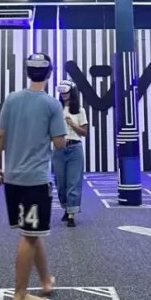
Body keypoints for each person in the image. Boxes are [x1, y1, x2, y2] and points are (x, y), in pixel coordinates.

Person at [0, 53, 66, 300]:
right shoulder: (52, 105)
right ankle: (20, 294)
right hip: (35, 181)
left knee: (32, 231)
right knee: (30, 235)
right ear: (49, 73)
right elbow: (59, 144)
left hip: (12, 179)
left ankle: (46, 280)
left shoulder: (12, 99)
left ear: (27, 72)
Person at [53, 79, 88, 227]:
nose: (64, 95)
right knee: (60, 183)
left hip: (75, 148)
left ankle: (71, 214)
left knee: (73, 182)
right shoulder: (56, 109)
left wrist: (72, 124)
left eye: (66, 93)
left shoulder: (80, 110)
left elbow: (84, 132)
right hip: (59, 149)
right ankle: (67, 208)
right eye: (62, 93)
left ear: (72, 93)